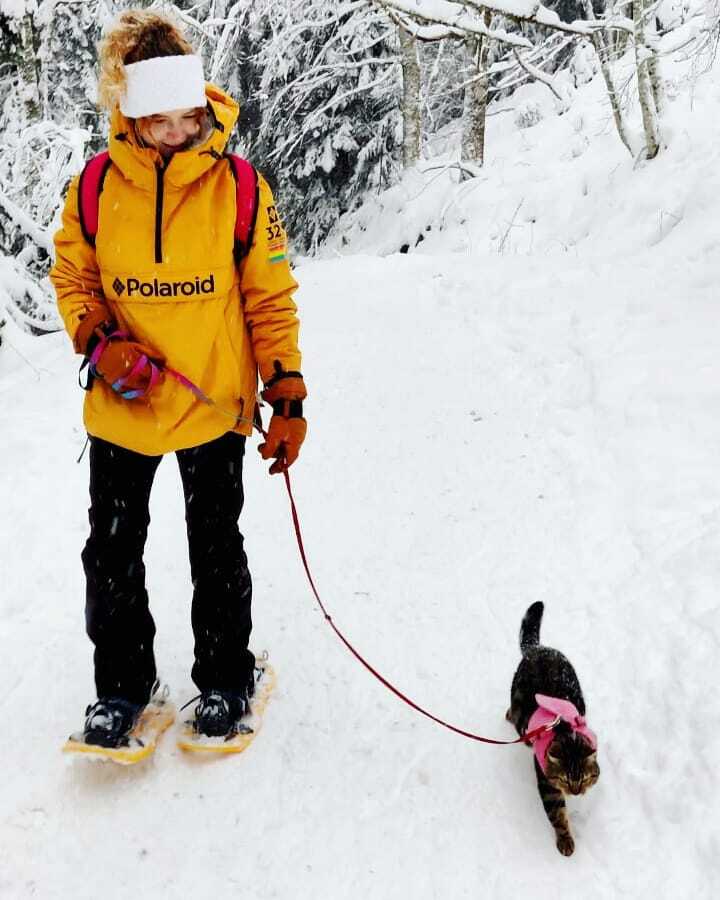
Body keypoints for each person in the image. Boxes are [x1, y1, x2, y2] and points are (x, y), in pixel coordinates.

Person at [50, 10, 307, 747]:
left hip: (214, 405)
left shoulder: (242, 189)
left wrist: (285, 391)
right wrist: (100, 341)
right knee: (112, 550)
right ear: (131, 113)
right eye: (160, 120)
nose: (179, 132)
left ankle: (226, 679)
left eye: (189, 115)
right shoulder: (96, 187)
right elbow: (72, 276)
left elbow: (270, 296)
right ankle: (123, 687)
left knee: (215, 545)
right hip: (124, 406)